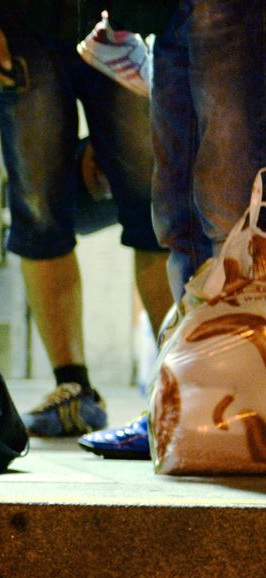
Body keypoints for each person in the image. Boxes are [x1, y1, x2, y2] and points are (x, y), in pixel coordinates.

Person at [0, 0, 173, 438]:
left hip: (120, 19)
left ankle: (179, 382)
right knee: (38, 207)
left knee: (152, 204)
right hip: (20, 23)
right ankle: (71, 386)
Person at [78, 0, 266, 459]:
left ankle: (245, 400)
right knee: (174, 212)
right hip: (163, 14)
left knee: (230, 208)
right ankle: (182, 401)